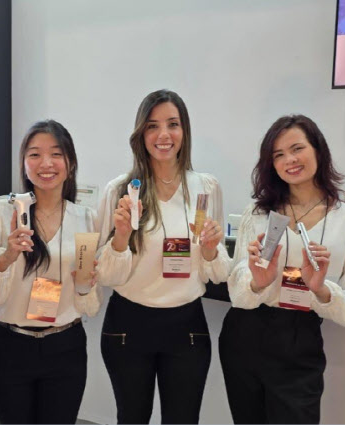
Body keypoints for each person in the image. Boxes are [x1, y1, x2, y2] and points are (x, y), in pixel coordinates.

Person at [221, 114, 345, 424]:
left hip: (300, 337)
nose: (289, 160)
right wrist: (258, 282)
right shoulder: (258, 213)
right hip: (244, 334)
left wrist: (321, 289)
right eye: (278, 154)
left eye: (297, 149)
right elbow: (237, 289)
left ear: (318, 150)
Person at [96, 89, 231, 424]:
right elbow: (106, 275)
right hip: (128, 325)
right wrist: (121, 237)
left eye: (173, 124)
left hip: (187, 326)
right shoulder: (121, 190)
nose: (163, 135)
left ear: (184, 130)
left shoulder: (206, 187)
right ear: (141, 134)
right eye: (152, 126)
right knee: (132, 417)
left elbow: (217, 272)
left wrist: (211, 249)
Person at [0, 120, 102, 424]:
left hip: (65, 345)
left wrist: (86, 285)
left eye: (56, 154)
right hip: (9, 345)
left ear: (71, 163)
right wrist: (6, 256)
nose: (46, 163)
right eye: (35, 154)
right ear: (23, 164)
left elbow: (89, 303)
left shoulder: (86, 219)